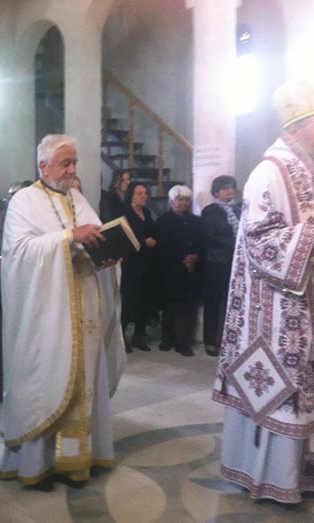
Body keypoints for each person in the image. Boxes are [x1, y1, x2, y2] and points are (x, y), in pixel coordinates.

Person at [0, 134, 125, 488]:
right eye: (64, 163)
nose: (71, 170)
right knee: (45, 381)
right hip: (47, 317)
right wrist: (70, 238)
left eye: (74, 163)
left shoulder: (78, 198)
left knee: (84, 382)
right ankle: (37, 464)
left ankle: (78, 461)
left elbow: (94, 238)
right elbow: (18, 253)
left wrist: (106, 256)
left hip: (85, 309)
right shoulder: (24, 201)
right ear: (43, 166)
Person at [213, 79, 314, 503]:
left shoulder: (306, 168)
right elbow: (260, 241)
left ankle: (296, 474)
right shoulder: (269, 172)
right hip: (273, 315)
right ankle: (269, 477)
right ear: (299, 125)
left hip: (301, 306)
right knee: (277, 390)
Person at [154, 185, 206, 357]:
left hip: (191, 270)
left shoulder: (197, 222)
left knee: (186, 308)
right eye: (179, 199)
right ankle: (166, 339)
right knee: (169, 306)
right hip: (170, 269)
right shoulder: (162, 221)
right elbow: (162, 246)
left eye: (186, 200)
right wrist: (183, 258)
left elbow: (202, 243)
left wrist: (195, 257)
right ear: (171, 201)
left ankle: (182, 342)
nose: (183, 203)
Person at [201, 175, 240, 357]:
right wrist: (237, 244)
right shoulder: (210, 211)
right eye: (225, 188)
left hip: (236, 261)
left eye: (231, 187)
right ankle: (210, 340)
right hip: (216, 262)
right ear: (216, 192)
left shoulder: (238, 209)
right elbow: (211, 236)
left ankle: (229, 339)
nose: (230, 190)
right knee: (214, 302)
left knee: (233, 302)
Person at [120, 182, 158, 353]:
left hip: (147, 262)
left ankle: (139, 337)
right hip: (131, 263)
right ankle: (122, 338)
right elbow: (125, 237)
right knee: (128, 302)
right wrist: (144, 242)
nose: (144, 196)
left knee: (144, 301)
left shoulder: (147, 212)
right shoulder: (125, 213)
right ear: (132, 196)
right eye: (139, 193)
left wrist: (153, 239)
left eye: (145, 193)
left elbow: (153, 230)